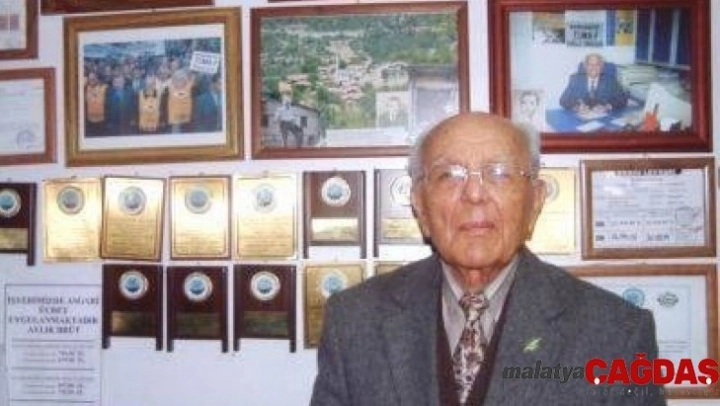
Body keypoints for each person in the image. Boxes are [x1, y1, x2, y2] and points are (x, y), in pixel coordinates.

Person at [310, 112, 665, 406]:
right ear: (419, 204)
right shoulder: (354, 320)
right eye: (449, 175)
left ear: (535, 201)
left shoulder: (617, 334)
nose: (475, 194)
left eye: (499, 173)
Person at [559, 53, 627, 115]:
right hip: (581, 117)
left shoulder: (610, 80)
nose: (593, 67)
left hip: (604, 117)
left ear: (602, 66)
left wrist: (607, 107)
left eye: (597, 64)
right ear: (585, 66)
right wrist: (577, 107)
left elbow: (622, 99)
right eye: (590, 64)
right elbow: (563, 100)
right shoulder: (576, 80)